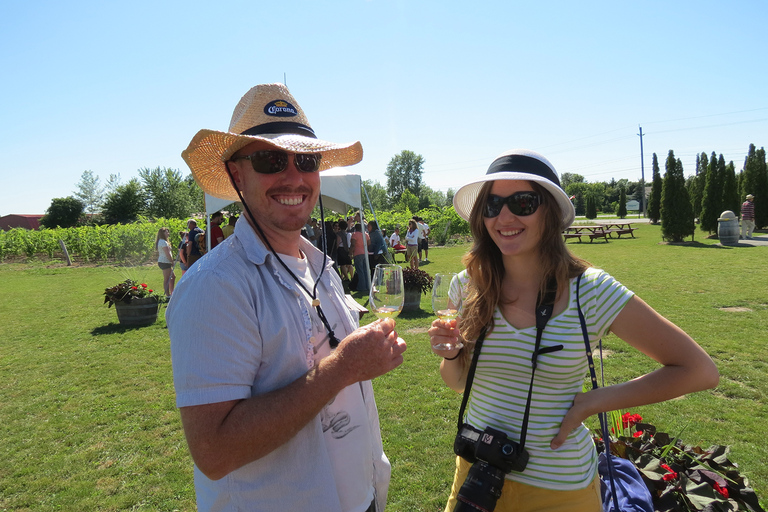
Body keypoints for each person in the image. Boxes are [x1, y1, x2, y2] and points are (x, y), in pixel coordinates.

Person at [428, 149, 719, 512]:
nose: (504, 216)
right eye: (492, 205)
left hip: (560, 490)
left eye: (522, 202)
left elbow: (700, 370)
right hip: (476, 476)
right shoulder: (468, 285)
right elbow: (458, 382)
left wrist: (593, 401)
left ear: (549, 211)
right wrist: (452, 355)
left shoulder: (591, 291)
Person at [167, 83, 406, 512]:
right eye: (271, 159)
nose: (294, 177)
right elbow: (214, 452)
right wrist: (344, 367)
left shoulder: (320, 266)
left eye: (307, 160)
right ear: (236, 175)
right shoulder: (215, 285)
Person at [154, 227, 175, 297]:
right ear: (162, 234)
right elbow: (167, 253)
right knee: (167, 278)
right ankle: (167, 294)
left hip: (166, 261)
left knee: (173, 276)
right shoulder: (163, 242)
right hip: (165, 261)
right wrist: (172, 261)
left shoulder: (164, 241)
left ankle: (172, 292)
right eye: (166, 232)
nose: (168, 233)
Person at [350, 223, 371, 292]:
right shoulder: (366, 234)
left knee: (360, 271)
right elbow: (369, 243)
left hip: (358, 253)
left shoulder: (355, 234)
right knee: (365, 270)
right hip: (365, 253)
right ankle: (368, 285)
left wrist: (350, 253)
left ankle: (362, 287)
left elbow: (353, 245)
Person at [336, 219, 354, 284]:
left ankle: (346, 277)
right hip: (347, 249)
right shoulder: (348, 233)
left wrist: (336, 249)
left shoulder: (339, 234)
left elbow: (338, 243)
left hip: (341, 249)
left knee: (342, 264)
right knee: (349, 264)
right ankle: (352, 276)